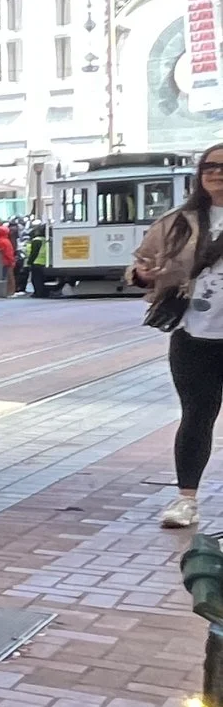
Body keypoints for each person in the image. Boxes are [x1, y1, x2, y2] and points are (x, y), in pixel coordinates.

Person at [129, 143, 223, 529]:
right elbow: (141, 266)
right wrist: (143, 276)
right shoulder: (177, 221)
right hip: (194, 334)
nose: (217, 172)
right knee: (197, 415)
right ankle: (186, 500)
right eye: (210, 167)